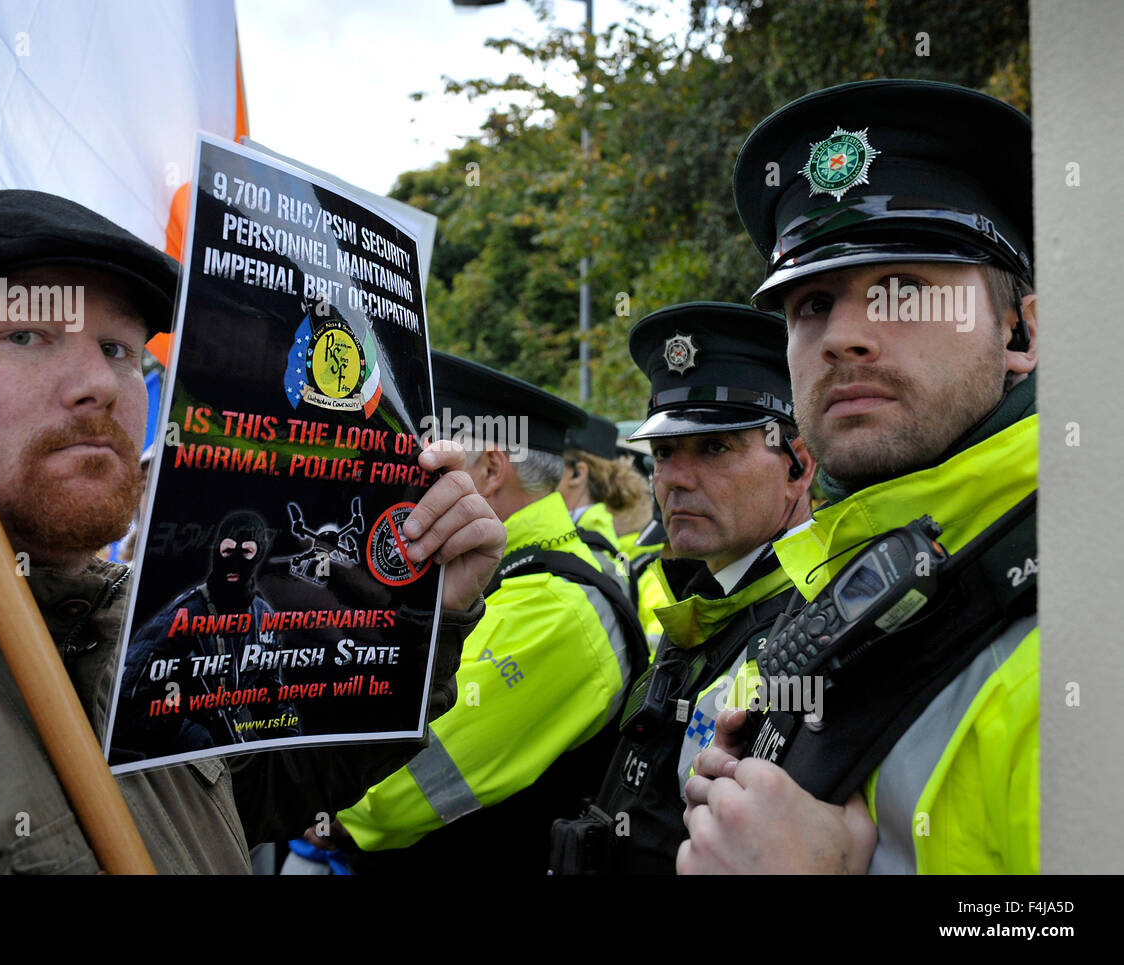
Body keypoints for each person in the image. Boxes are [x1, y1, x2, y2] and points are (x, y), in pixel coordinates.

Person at [0, 189, 505, 873]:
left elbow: (256, 792)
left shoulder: (105, 621)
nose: (101, 383)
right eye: (26, 335)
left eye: (119, 347)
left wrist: (424, 612)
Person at [679, 79, 1038, 874]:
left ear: (1022, 332)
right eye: (810, 304)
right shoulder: (831, 571)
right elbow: (698, 740)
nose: (844, 336)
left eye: (903, 290)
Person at [327, 351, 646, 874]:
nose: (415, 478)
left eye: (435, 462)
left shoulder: (554, 607)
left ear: (492, 470)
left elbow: (381, 798)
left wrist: (292, 786)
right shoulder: (516, 573)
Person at [549, 302, 815, 875]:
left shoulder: (810, 627)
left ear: (800, 467)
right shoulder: (712, 603)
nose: (674, 479)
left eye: (715, 448)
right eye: (665, 453)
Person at [115, 509, 298, 756]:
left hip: (238, 754)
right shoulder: (184, 616)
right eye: (227, 551)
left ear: (259, 554)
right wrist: (185, 731)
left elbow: (272, 695)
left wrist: (290, 739)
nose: (235, 561)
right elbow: (126, 701)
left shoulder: (261, 615)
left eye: (246, 552)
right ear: (216, 551)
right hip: (188, 763)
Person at [557, 413, 645, 596]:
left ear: (577, 474)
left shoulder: (589, 540)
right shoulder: (593, 530)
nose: (544, 469)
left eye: (553, 462)